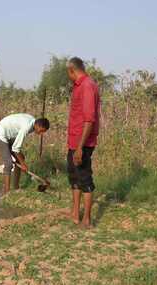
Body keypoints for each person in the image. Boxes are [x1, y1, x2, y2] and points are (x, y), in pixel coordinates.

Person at [66, 57, 101, 228]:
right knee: (74, 177)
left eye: (68, 73)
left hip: (82, 144)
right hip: (73, 142)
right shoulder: (78, 85)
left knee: (85, 179)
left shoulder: (87, 86)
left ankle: (86, 219)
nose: (68, 76)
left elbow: (89, 119)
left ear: (72, 70)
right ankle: (75, 213)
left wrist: (80, 148)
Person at [0, 113, 50, 193]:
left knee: (20, 158)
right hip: (0, 134)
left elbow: (15, 148)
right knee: (8, 163)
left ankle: (16, 188)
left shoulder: (33, 121)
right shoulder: (26, 127)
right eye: (41, 131)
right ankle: (6, 193)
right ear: (38, 125)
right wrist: (23, 164)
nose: (41, 134)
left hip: (8, 134)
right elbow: (16, 149)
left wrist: (21, 162)